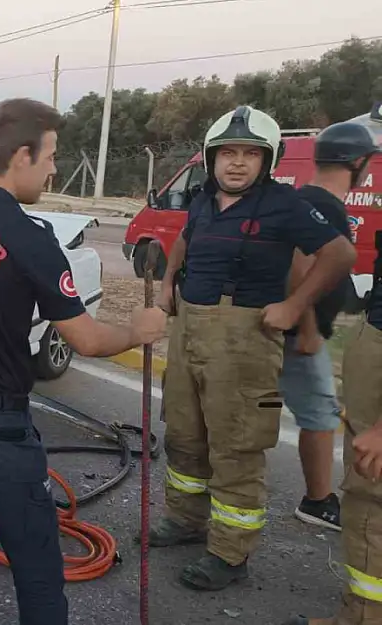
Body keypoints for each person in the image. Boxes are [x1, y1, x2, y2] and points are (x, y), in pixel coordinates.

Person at [0, 97, 168, 625]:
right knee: (38, 568)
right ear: (22, 155)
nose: (54, 168)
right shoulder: (30, 236)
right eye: (50, 156)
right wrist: (138, 328)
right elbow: (84, 340)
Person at [151, 106, 358, 591]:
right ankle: (185, 521)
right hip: (189, 333)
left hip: (244, 341)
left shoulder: (283, 205)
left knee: (237, 449)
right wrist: (166, 284)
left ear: (268, 161)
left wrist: (293, 306)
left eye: (250, 154)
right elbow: (184, 235)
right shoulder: (203, 200)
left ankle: (229, 552)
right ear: (210, 158)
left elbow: (339, 254)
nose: (237, 163)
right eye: (228, 153)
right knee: (184, 435)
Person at [282, 124, 380, 625]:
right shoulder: (326, 205)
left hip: (302, 331)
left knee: (308, 413)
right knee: (320, 414)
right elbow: (301, 265)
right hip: (303, 335)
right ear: (360, 165)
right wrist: (306, 326)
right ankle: (318, 501)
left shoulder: (303, 197)